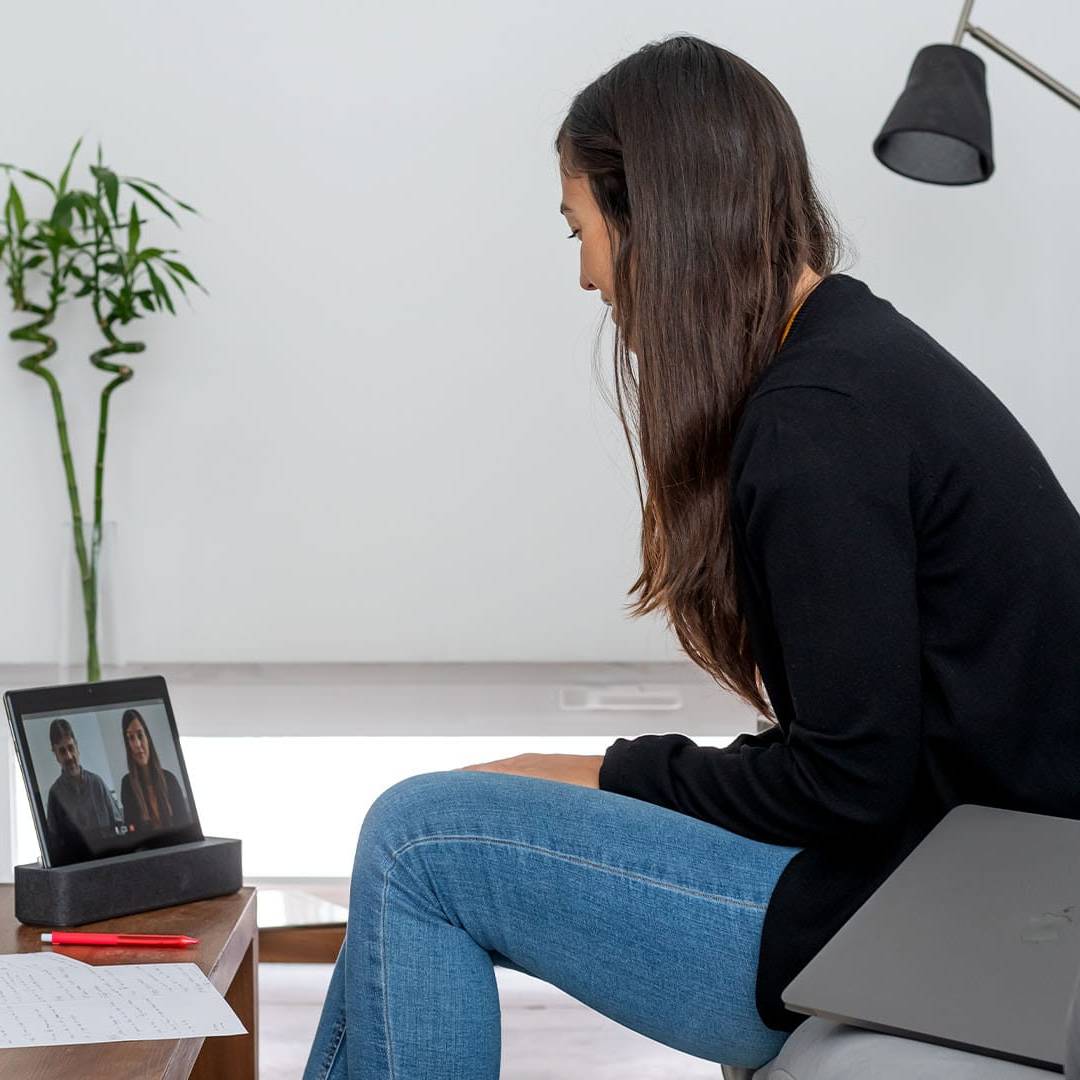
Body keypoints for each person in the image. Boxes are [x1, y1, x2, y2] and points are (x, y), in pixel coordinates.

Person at [304, 34, 1080, 1080]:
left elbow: (848, 783)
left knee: (416, 839)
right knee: (418, 842)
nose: (586, 274)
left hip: (949, 916)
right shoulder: (853, 363)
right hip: (944, 882)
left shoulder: (818, 419)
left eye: (580, 229)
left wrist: (608, 771)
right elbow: (868, 754)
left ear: (655, 220)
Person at [44, 717, 119, 864]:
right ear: (56, 755)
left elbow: (119, 826)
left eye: (71, 748)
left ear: (77, 747)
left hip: (109, 863)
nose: (69, 756)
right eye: (62, 751)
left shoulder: (97, 784)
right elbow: (54, 846)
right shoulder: (54, 795)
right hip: (76, 869)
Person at [119, 708, 189, 832]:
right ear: (127, 744)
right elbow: (132, 834)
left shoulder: (170, 779)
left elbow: (186, 827)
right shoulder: (127, 785)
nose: (137, 744)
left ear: (148, 738)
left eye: (140, 735)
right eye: (131, 738)